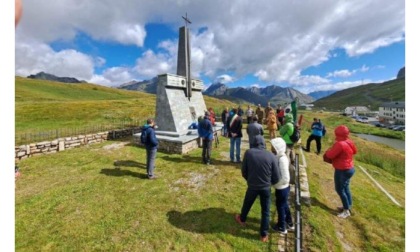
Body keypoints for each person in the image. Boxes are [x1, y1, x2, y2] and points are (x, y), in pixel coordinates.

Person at [234, 135, 280, 242]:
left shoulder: (248, 153)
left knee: (247, 203)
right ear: (264, 144)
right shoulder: (271, 156)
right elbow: (277, 177)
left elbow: (244, 171)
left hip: (253, 186)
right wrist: (268, 183)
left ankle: (242, 219)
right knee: (266, 210)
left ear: (253, 143)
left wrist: (249, 180)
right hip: (265, 187)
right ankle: (263, 235)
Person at [323, 125, 357, 219]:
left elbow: (330, 155)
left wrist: (328, 151)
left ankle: (346, 211)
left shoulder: (340, 144)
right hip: (350, 168)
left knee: (340, 189)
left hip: (342, 169)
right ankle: (348, 206)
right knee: (346, 188)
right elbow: (355, 151)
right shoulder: (349, 141)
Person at [270, 137, 294, 235]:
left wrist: (275, 183)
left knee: (280, 206)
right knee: (284, 205)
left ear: (277, 148)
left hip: (282, 188)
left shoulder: (282, 160)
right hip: (281, 187)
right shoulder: (279, 157)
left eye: (273, 146)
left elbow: (286, 178)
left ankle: (282, 226)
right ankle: (290, 222)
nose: (271, 148)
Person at [279, 113, 296, 184]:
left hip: (286, 142)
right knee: (292, 154)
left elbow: (280, 132)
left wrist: (282, 126)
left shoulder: (287, 125)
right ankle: (293, 162)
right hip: (292, 142)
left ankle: (289, 174)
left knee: (286, 158)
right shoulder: (293, 124)